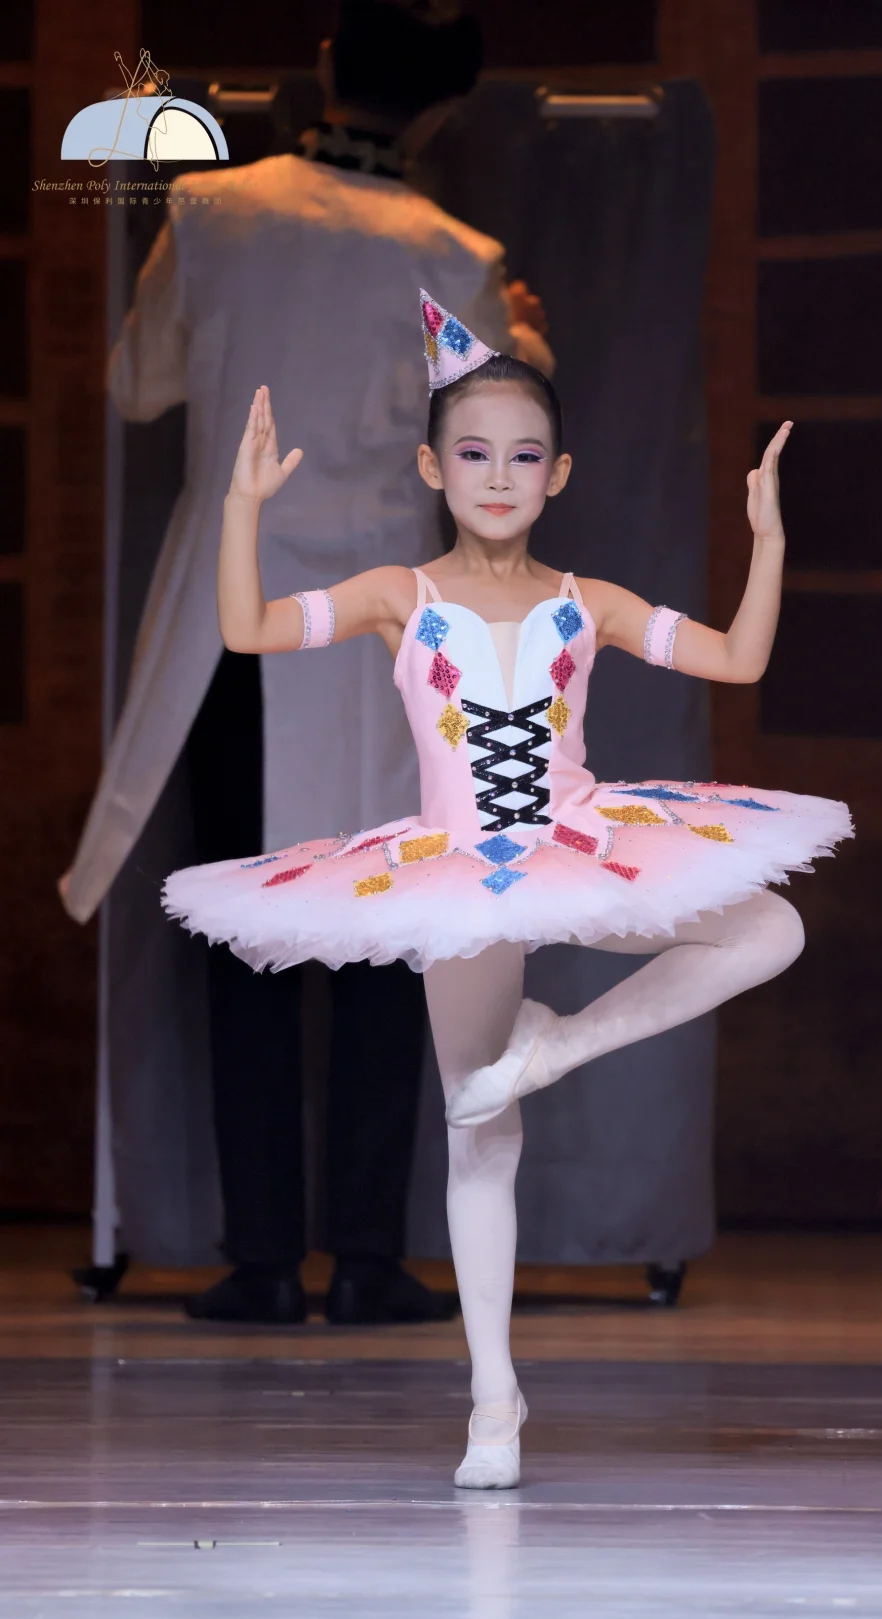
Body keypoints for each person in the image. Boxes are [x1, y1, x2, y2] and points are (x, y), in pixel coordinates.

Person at [163, 294, 853, 1483]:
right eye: (474, 453)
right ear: (432, 467)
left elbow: (739, 659)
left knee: (771, 925)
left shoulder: (590, 601)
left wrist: (770, 538)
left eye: (524, 456)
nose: (498, 476)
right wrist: (240, 506)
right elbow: (245, 627)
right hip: (458, 871)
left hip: (585, 840)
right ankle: (495, 1400)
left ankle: (557, 1045)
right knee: (478, 1126)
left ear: (559, 473)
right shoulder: (400, 592)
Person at [59, 0, 552, 1326]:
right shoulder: (457, 253)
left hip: (243, 612)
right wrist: (529, 334)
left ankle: (265, 1256)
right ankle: (371, 1255)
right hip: (390, 625)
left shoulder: (214, 211)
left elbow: (138, 385)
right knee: (394, 933)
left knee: (249, 931)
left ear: (325, 63)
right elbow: (493, 443)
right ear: (445, 111)